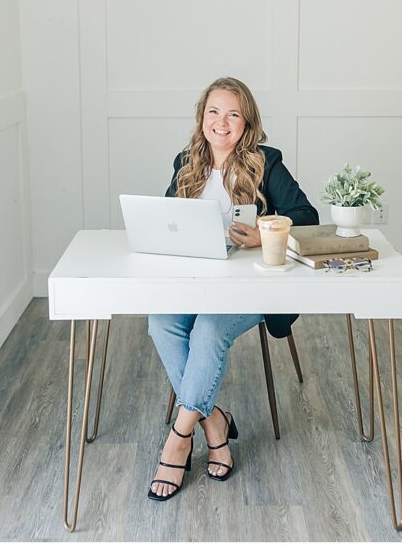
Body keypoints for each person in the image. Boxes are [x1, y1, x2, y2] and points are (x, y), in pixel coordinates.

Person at [147, 77, 317, 501]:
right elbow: (169, 221)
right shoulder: (185, 162)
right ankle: (214, 422)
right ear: (202, 118)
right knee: (160, 322)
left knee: (208, 329)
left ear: (247, 122)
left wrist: (261, 235)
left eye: (233, 114)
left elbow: (306, 215)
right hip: (196, 280)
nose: (222, 122)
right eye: (214, 112)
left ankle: (179, 439)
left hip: (251, 285)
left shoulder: (266, 161)